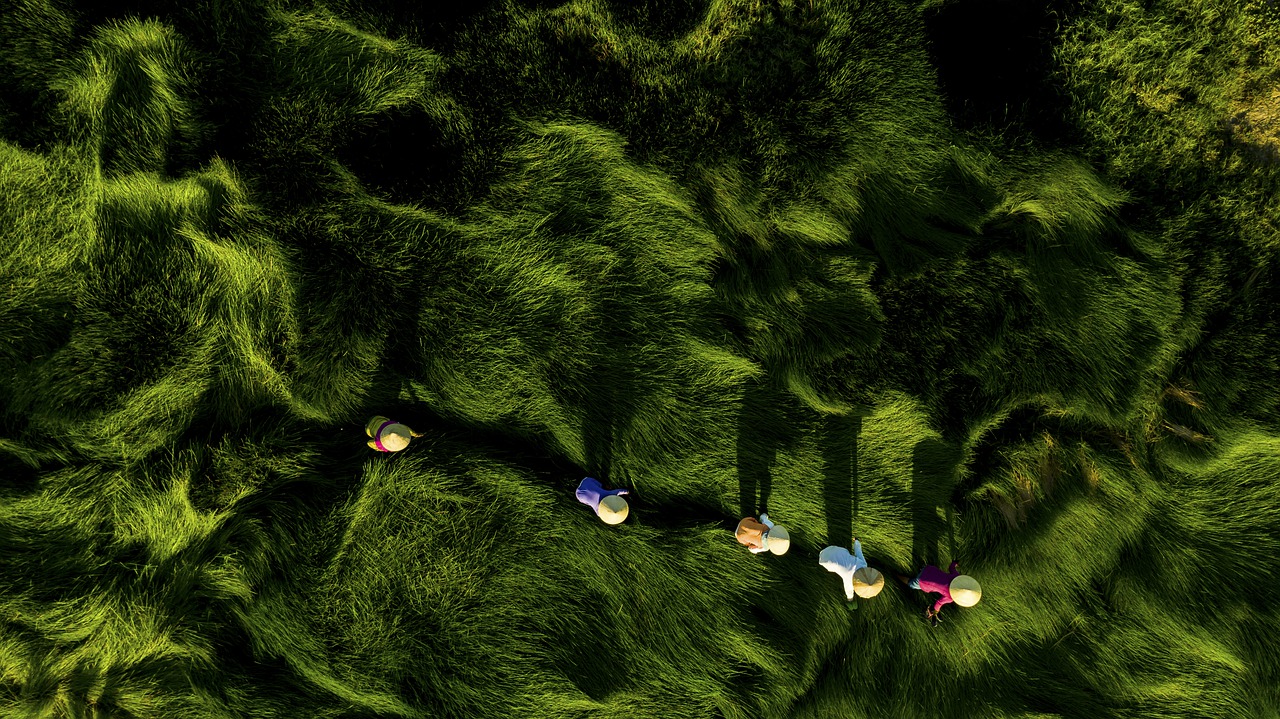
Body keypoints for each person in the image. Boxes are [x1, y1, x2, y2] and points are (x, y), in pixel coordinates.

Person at [901, 560, 982, 625]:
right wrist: (935, 612)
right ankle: (895, 575)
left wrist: (955, 563)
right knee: (911, 584)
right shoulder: (950, 597)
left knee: (925, 570)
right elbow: (939, 603)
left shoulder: (956, 576)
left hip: (930, 569)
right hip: (924, 581)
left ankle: (921, 568)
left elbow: (951, 568)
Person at [819, 539, 884, 608]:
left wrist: (857, 542)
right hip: (824, 560)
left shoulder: (863, 564)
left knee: (844, 554)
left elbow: (858, 551)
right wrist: (850, 600)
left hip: (836, 550)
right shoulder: (850, 580)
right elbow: (848, 591)